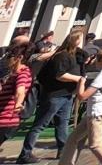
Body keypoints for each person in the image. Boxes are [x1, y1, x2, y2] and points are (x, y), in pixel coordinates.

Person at [17, 31, 83, 163]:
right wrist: (78, 79)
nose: (82, 42)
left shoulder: (72, 55)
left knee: (62, 123)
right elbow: (60, 75)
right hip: (54, 95)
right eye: (81, 39)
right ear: (75, 40)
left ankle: (63, 150)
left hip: (66, 95)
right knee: (40, 124)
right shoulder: (62, 55)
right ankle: (25, 154)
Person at [58, 46, 102, 165]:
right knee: (73, 139)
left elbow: (82, 96)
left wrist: (81, 82)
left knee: (95, 144)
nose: (95, 63)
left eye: (96, 60)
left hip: (96, 113)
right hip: (95, 111)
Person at [0, 44, 33, 148]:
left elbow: (20, 90)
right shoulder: (12, 72)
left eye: (10, 56)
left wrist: (18, 103)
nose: (7, 59)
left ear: (20, 57)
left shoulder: (23, 73)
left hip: (6, 119)